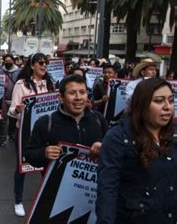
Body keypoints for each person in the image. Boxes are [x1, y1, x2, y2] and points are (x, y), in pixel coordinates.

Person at [96, 78, 177, 223]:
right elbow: (107, 190)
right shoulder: (118, 137)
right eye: (159, 101)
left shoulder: (174, 133)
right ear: (142, 104)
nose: (168, 107)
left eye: (171, 100)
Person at [24, 74, 108, 168]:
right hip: (56, 182)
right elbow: (29, 154)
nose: (78, 97)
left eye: (82, 92)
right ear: (61, 97)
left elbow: (115, 149)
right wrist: (43, 153)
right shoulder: (46, 123)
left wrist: (103, 145)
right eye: (72, 93)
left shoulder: (98, 119)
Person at [8, 53, 56, 217]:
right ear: (32, 65)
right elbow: (11, 109)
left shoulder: (50, 83)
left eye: (46, 63)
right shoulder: (21, 84)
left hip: (46, 133)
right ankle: (18, 201)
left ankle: (47, 199)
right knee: (23, 167)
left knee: (48, 166)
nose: (44, 65)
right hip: (25, 132)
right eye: (41, 62)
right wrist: (18, 109)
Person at [0, 54, 20, 147]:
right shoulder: (0, 71)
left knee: (13, 119)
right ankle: (2, 139)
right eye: (6, 60)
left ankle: (12, 135)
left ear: (13, 61)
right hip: (3, 99)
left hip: (15, 99)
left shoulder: (19, 71)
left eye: (9, 60)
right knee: (3, 120)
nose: (8, 62)